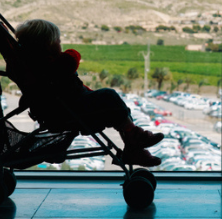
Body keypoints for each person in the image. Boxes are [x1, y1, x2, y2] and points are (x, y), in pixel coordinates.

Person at [14, 19, 164, 167]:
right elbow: (72, 58)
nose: (61, 44)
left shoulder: (34, 68)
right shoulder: (51, 65)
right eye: (58, 41)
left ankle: (134, 146)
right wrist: (68, 54)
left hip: (67, 109)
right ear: (47, 45)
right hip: (69, 112)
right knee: (109, 96)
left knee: (120, 111)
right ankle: (135, 137)